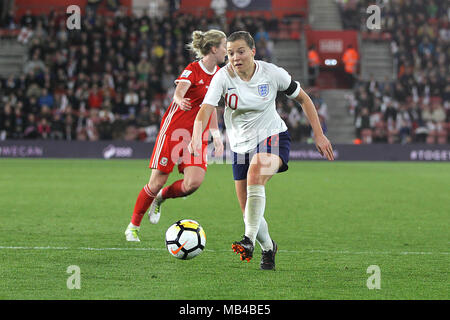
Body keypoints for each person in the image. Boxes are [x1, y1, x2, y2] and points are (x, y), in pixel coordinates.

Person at [188, 31, 334, 270]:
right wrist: (196, 137)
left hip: (273, 136)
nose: (235, 57)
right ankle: (268, 247)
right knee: (248, 212)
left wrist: (318, 134)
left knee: (256, 172)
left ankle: (247, 240)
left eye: (241, 51)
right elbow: (205, 110)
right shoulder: (222, 78)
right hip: (240, 146)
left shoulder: (272, 73)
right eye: (231, 52)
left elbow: (305, 99)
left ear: (253, 52)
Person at [125, 29, 227, 242]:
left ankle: (160, 199)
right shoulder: (192, 70)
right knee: (156, 182)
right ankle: (133, 226)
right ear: (214, 48)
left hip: (197, 136)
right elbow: (179, 91)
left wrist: (217, 136)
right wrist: (179, 100)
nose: (228, 51)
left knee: (193, 184)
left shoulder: (220, 75)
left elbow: (211, 108)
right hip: (174, 132)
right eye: (225, 46)